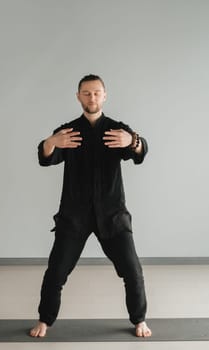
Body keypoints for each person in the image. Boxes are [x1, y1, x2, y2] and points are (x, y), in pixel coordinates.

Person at [30, 74, 152, 338]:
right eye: (86, 93)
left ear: (104, 96)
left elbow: (141, 152)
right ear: (78, 96)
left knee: (133, 271)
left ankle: (139, 320)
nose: (92, 97)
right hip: (74, 216)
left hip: (112, 214)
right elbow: (45, 157)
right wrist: (51, 142)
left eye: (96, 92)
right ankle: (45, 319)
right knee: (56, 272)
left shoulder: (117, 129)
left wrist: (133, 141)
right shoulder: (68, 131)